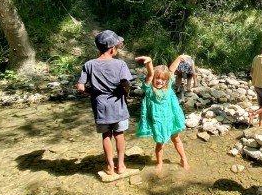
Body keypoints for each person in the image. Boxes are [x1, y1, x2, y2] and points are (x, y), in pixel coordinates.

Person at [77, 30, 133, 176]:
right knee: (119, 135)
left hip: (100, 107)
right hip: (118, 107)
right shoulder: (120, 64)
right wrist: (126, 93)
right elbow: (126, 84)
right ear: (112, 48)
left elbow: (81, 87)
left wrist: (94, 92)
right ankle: (120, 166)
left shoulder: (89, 64)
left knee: (106, 136)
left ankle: (109, 166)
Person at [135, 54, 190, 173]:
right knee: (160, 143)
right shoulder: (149, 89)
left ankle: (183, 159)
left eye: (163, 79)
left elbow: (171, 70)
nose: (160, 81)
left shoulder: (168, 86)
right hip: (157, 120)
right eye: (157, 78)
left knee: (176, 139)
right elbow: (150, 74)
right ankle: (159, 163)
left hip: (170, 118)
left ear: (167, 80)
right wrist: (149, 63)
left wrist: (179, 58)